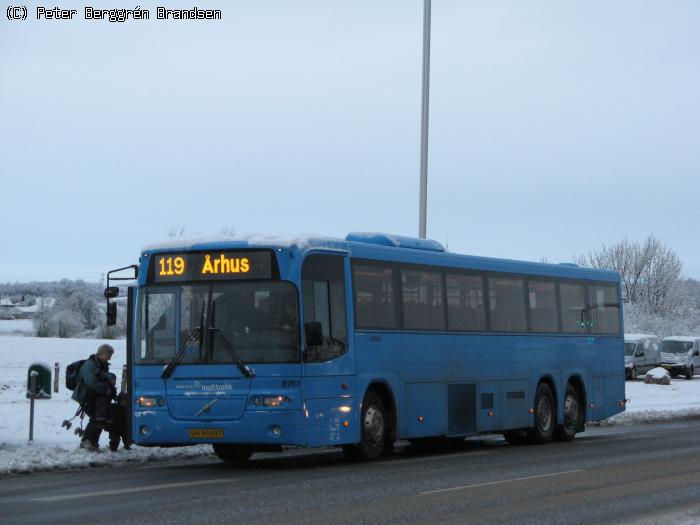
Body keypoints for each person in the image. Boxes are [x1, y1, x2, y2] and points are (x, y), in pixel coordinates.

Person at [71, 344, 115, 451]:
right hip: (87, 397)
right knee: (96, 418)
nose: (110, 357)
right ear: (102, 353)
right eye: (109, 355)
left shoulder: (100, 364)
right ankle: (87, 441)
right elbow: (91, 382)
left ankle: (93, 442)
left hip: (94, 396)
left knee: (99, 418)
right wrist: (105, 389)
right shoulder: (90, 365)